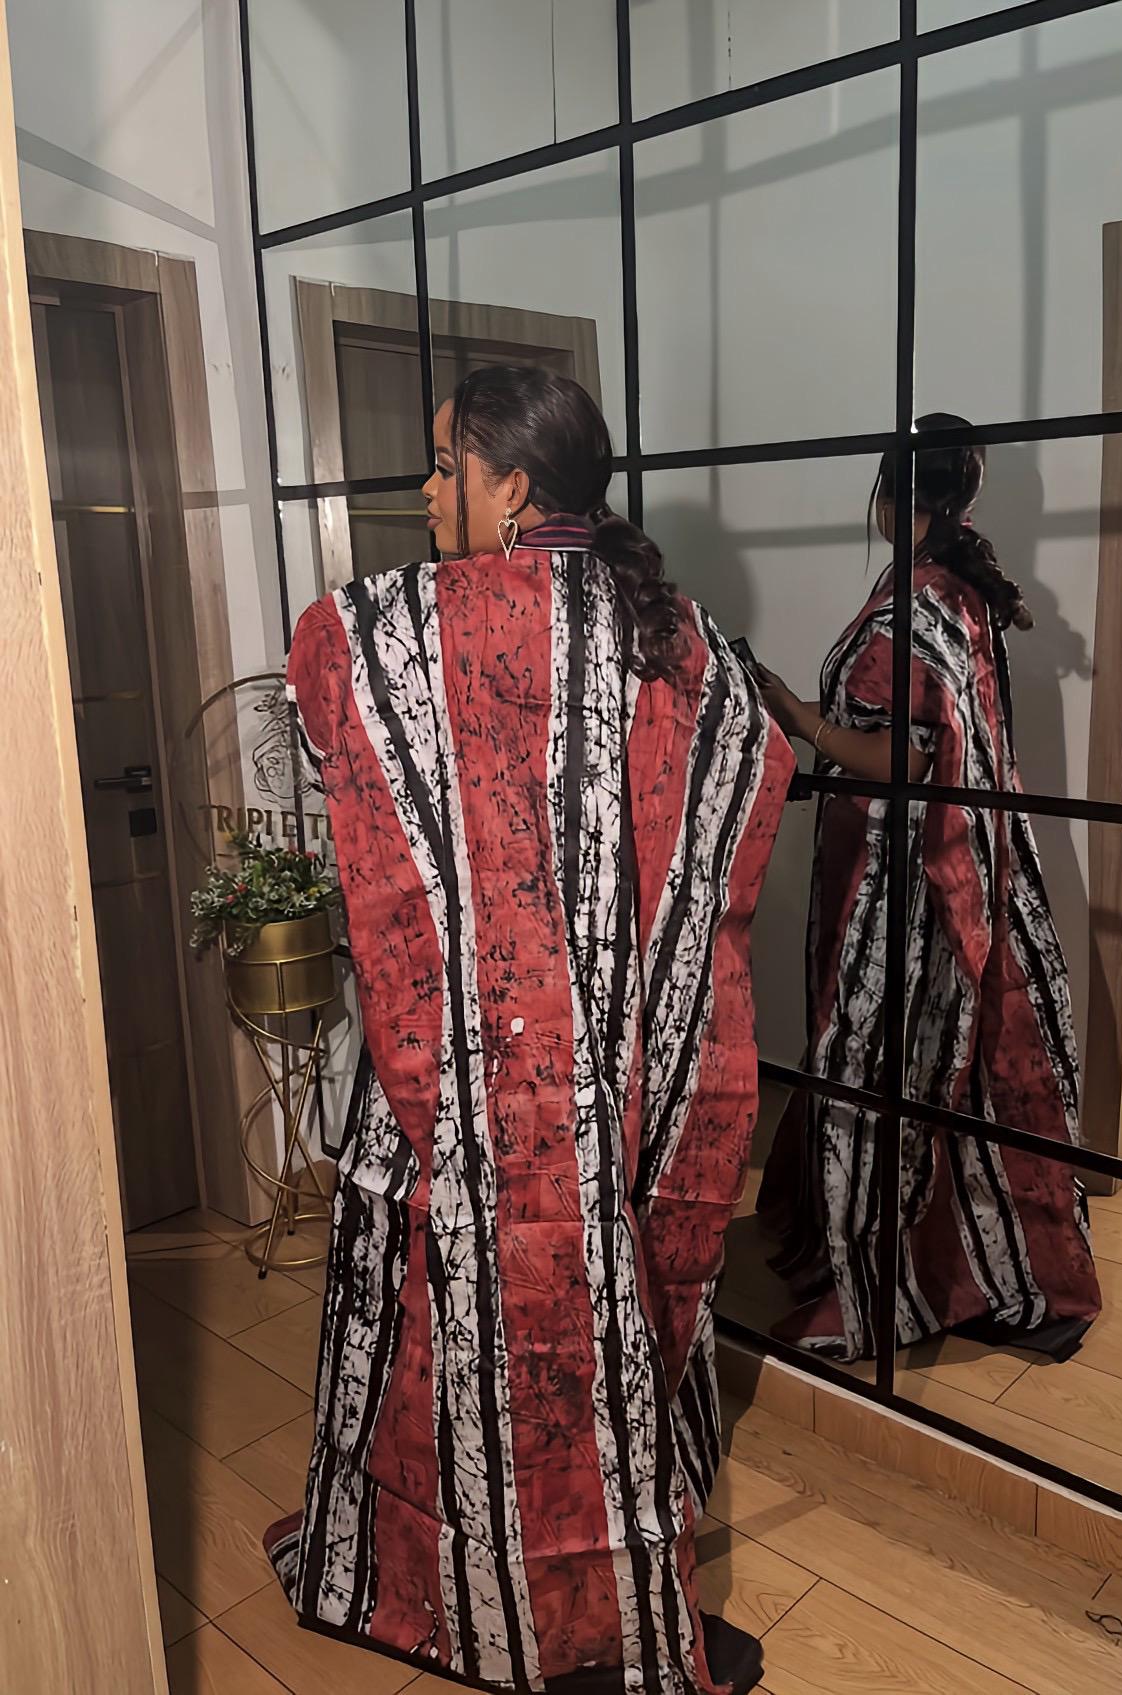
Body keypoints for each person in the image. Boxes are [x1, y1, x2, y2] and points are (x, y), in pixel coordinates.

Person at [267, 366, 794, 1693]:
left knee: (441, 1331)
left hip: (464, 1079)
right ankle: (594, 1599)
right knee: (601, 1343)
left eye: (445, 464)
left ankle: (431, 1589)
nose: (426, 490)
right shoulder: (681, 636)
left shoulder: (400, 628)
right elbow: (751, 775)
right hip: (617, 1090)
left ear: (513, 486)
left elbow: (321, 671)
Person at [754, 416, 1102, 1363]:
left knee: (885, 1061)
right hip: (961, 855)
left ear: (888, 494)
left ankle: (892, 1273)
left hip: (901, 879)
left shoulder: (914, 605)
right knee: (959, 1058)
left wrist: (799, 719)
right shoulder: (958, 590)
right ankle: (981, 1252)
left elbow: (904, 756)